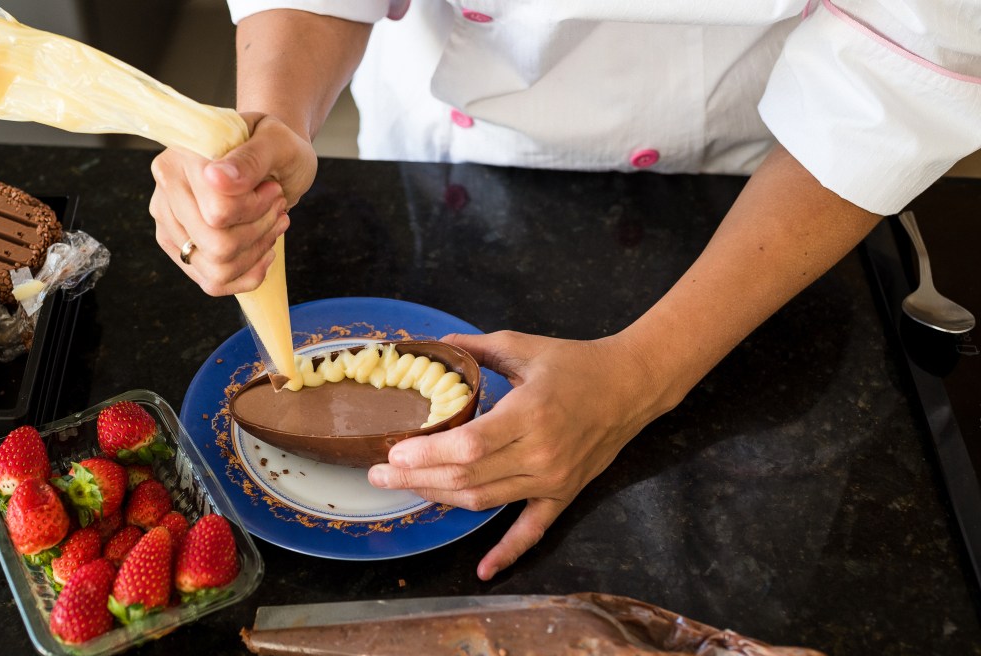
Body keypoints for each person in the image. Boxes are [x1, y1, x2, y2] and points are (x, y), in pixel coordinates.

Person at [148, 1, 981, 580]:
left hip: (759, 190)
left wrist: (644, 376)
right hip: (443, 167)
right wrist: (267, 131)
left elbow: (900, 58)